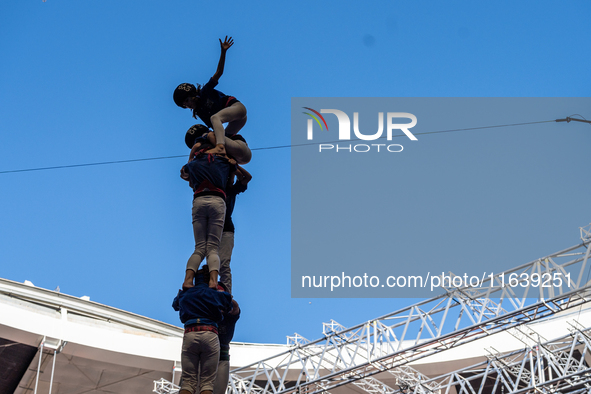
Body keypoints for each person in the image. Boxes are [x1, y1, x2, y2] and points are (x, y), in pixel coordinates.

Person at [173, 36, 251, 164]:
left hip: (237, 108)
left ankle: (219, 148)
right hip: (236, 120)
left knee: (215, 118)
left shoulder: (205, 92)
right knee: (220, 137)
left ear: (192, 94)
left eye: (187, 101)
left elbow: (218, 72)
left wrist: (223, 52)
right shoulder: (199, 112)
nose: (188, 106)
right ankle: (230, 157)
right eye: (184, 106)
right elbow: (215, 130)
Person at [181, 134, 236, 289]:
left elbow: (184, 174)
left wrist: (192, 157)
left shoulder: (193, 164)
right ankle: (213, 281)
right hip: (218, 200)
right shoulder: (224, 161)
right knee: (212, 247)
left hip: (199, 200)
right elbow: (230, 182)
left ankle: (187, 280)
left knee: (199, 247)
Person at [172, 266, 233, 394]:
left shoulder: (187, 294)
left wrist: (184, 291)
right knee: (207, 384)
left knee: (188, 382)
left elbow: (175, 304)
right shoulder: (214, 294)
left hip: (190, 333)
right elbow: (229, 303)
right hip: (210, 333)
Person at [218, 164, 251, 294]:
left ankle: (227, 294)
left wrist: (233, 166)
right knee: (212, 263)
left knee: (223, 263)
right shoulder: (218, 187)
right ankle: (212, 289)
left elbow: (247, 177)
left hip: (225, 228)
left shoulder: (231, 189)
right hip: (216, 227)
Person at [213, 281, 240, 394]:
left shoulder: (229, 315)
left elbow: (236, 307)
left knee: (219, 390)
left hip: (222, 355)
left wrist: (226, 298)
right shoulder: (208, 312)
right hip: (208, 353)